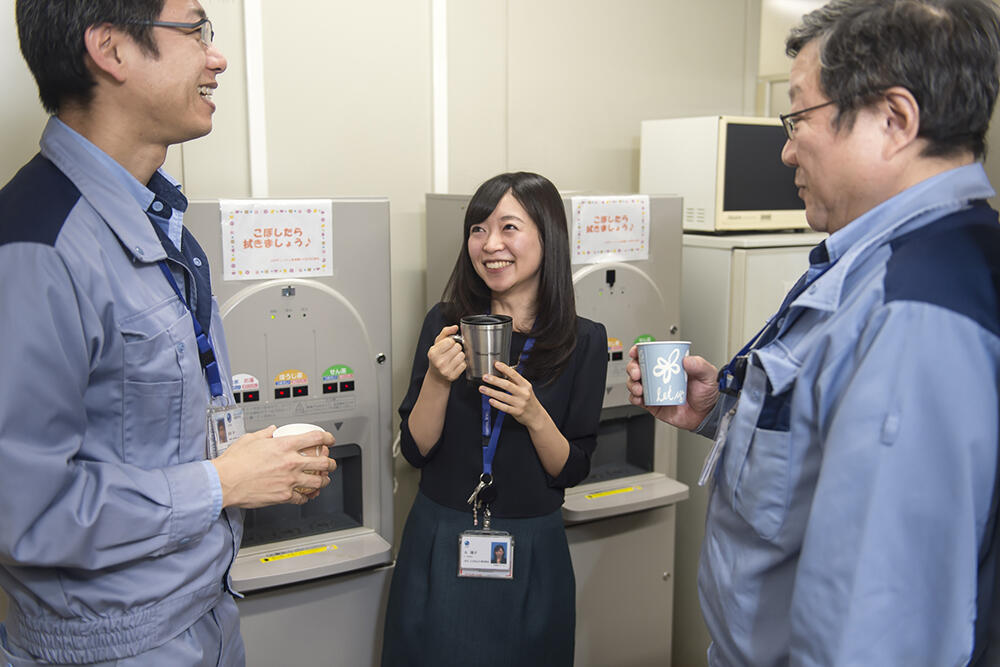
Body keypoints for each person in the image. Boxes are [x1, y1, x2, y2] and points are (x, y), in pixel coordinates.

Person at [627, 0, 1000, 664]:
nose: (786, 146)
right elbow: (825, 437)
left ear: (894, 120)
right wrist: (724, 408)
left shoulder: (916, 311)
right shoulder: (882, 261)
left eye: (799, 117)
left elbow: (878, 632)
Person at [0, 1, 336, 664]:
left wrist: (249, 465)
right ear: (111, 49)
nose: (217, 57)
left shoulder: (156, 216)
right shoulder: (38, 247)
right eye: (195, 30)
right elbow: (25, 510)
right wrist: (222, 482)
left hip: (205, 614)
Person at [382, 172, 607, 667]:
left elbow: (571, 469)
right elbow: (416, 450)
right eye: (479, 229)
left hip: (531, 544)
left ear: (548, 237)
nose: (491, 245)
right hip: (441, 534)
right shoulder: (444, 323)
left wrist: (532, 414)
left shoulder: (583, 340)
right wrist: (438, 381)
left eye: (509, 228)